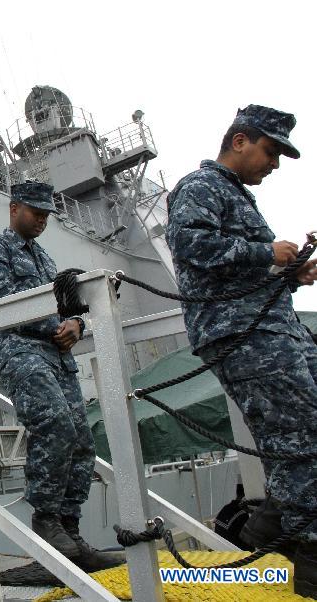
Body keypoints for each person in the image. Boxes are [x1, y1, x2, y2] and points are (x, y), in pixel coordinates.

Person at [166, 104, 317, 597]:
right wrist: (265, 253)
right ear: (239, 141)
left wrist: (288, 275)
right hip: (247, 338)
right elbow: (190, 244)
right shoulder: (200, 186)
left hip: (273, 329)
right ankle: (307, 560)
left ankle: (260, 539)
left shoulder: (236, 197)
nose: (273, 165)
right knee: (299, 440)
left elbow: (242, 273)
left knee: (302, 437)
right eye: (270, 152)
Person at [0, 180, 121, 572]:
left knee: (81, 438)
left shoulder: (45, 259)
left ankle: (70, 530)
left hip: (58, 357)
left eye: (45, 215)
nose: (41, 220)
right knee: (54, 423)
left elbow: (69, 305)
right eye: (35, 212)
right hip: (21, 351)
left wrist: (76, 323)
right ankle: (45, 519)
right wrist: (57, 325)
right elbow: (1, 303)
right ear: (14, 208)